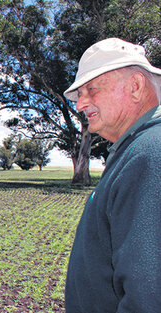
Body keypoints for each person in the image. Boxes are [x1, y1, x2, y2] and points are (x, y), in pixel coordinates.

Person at [63, 37, 161, 312]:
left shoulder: (150, 154)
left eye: (91, 89)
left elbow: (148, 296)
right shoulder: (133, 150)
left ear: (136, 86)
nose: (80, 104)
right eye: (79, 93)